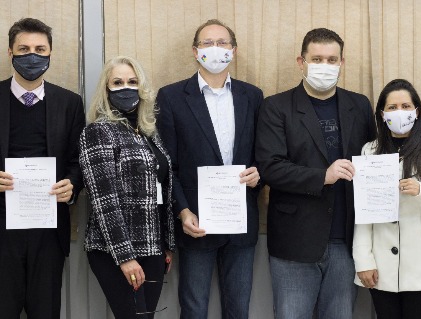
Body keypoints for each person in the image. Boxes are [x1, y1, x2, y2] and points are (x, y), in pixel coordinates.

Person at [255, 28, 376, 319]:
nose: (325, 66)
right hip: (295, 241)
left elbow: (374, 158)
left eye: (332, 59)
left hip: (346, 239)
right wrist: (323, 175)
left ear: (341, 63)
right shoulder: (276, 106)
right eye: (317, 59)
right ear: (301, 61)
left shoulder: (358, 105)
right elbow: (270, 167)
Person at [156, 19, 263, 319]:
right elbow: (168, 164)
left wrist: (259, 175)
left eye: (222, 42)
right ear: (195, 51)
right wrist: (183, 211)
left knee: (238, 309)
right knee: (193, 309)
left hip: (240, 221)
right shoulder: (172, 97)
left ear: (234, 50)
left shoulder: (253, 96)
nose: (215, 49)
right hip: (196, 223)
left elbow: (264, 156)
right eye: (207, 43)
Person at [0, 18, 85, 318]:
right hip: (2, 231)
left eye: (40, 49)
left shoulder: (70, 103)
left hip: (48, 230)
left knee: (45, 311)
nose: (32, 55)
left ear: (50, 54)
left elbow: (78, 160)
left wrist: (72, 185)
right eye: (23, 49)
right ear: (10, 53)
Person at [79, 56, 175, 319]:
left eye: (132, 82)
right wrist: (125, 257)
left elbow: (162, 188)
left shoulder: (148, 132)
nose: (126, 87)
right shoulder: (98, 132)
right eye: (117, 82)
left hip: (153, 247)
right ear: (106, 89)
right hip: (114, 249)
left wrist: (166, 243)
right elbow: (104, 200)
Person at [353, 79, 421, 319]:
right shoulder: (369, 151)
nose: (399, 112)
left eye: (405, 106)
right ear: (382, 115)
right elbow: (363, 212)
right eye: (392, 108)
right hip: (381, 267)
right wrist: (363, 259)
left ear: (416, 111)